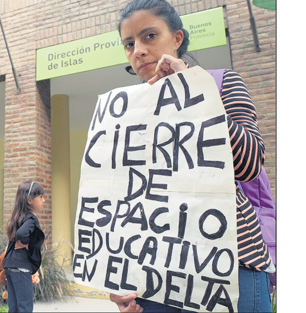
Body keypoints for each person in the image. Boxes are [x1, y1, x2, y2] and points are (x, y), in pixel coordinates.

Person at [108, 0, 275, 312]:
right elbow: (126, 201)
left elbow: (250, 163)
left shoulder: (222, 83)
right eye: (129, 43)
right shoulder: (125, 115)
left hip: (229, 263)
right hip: (155, 275)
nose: (138, 50)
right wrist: (119, 275)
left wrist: (192, 93)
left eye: (148, 36)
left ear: (177, 38)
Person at [3, 180, 45, 313]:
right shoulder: (31, 219)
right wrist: (27, 244)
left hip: (10, 265)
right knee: (25, 308)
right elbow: (22, 234)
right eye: (41, 197)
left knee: (14, 308)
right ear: (30, 200)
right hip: (21, 267)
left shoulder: (17, 217)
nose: (44, 200)